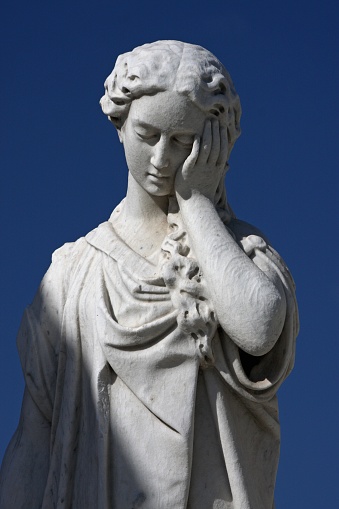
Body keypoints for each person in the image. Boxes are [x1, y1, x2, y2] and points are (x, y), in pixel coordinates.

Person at [0, 41, 298, 509]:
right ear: (120, 125)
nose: (161, 158)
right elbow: (34, 442)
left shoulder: (237, 253)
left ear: (214, 144)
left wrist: (196, 204)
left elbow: (259, 328)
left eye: (182, 141)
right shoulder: (73, 273)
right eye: (147, 134)